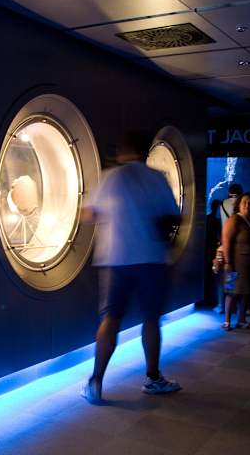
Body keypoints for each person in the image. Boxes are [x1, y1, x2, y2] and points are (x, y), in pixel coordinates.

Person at [80, 133, 181, 404]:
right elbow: (174, 216)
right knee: (151, 319)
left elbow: (88, 214)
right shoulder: (158, 178)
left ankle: (96, 382)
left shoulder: (109, 177)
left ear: (122, 152)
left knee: (111, 319)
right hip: (152, 258)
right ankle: (153, 378)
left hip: (116, 259)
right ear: (145, 152)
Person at [221, 192, 250, 330]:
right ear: (239, 204)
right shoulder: (234, 220)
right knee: (232, 292)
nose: (247, 205)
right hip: (235, 264)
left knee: (247, 291)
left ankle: (242, 320)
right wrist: (228, 262)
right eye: (244, 202)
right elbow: (226, 241)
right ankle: (227, 321)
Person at [206, 199, 224, 312]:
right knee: (217, 277)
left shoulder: (207, 219)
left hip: (208, 251)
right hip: (215, 251)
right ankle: (217, 301)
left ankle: (210, 299)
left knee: (212, 276)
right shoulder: (219, 221)